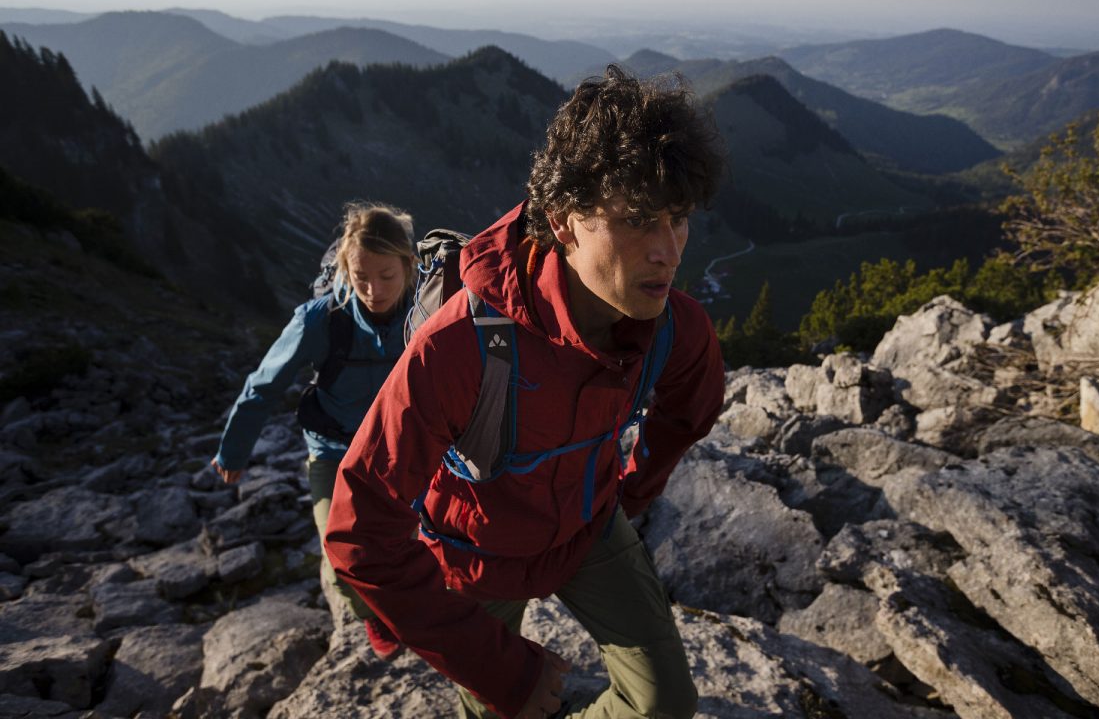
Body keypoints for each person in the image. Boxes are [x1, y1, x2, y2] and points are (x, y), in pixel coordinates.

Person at [325, 65, 726, 719]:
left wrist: (632, 489)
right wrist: (492, 663)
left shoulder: (676, 328)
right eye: (637, 221)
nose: (667, 250)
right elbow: (357, 526)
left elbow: (691, 410)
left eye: (678, 219)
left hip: (586, 526)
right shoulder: (461, 346)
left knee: (664, 704)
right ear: (565, 223)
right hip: (473, 557)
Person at [211, 201, 416, 661]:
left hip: (404, 447)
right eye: (361, 276)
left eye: (386, 275)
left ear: (409, 264)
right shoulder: (320, 320)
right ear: (345, 266)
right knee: (341, 553)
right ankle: (372, 615)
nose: (373, 289)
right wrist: (234, 452)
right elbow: (263, 386)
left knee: (424, 537)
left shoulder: (429, 308)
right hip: (334, 450)